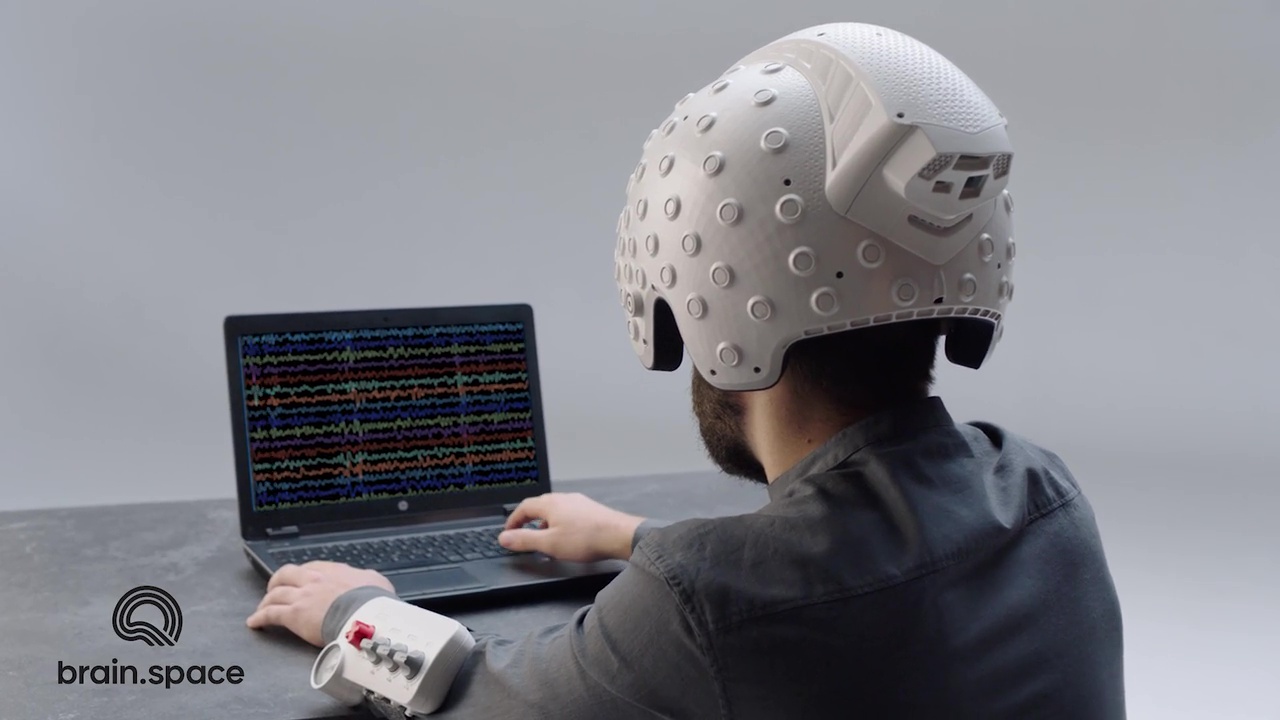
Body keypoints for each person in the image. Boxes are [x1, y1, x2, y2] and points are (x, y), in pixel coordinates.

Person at [247, 22, 1125, 719]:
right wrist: (631, 535)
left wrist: (354, 610)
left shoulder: (703, 601)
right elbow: (813, 573)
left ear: (709, 303)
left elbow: (476, 698)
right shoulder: (1049, 497)